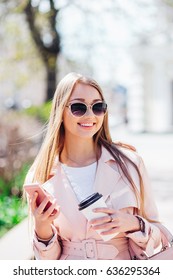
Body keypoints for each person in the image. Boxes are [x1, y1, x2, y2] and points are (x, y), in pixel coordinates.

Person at [24, 72, 163, 260]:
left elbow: (160, 236)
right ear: (60, 111)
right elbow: (47, 261)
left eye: (98, 107)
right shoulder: (40, 175)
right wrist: (42, 228)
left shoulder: (130, 164)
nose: (90, 115)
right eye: (79, 107)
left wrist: (133, 224)